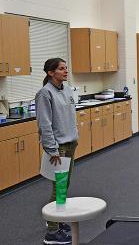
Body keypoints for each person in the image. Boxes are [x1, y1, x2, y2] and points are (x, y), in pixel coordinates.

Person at [36, 58, 78, 245]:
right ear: (50, 73)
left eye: (66, 68)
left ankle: (58, 220)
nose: (66, 71)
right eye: (61, 69)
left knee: (65, 185)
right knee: (58, 187)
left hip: (70, 144)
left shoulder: (67, 89)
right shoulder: (45, 94)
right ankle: (52, 232)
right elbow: (44, 124)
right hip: (58, 148)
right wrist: (52, 149)